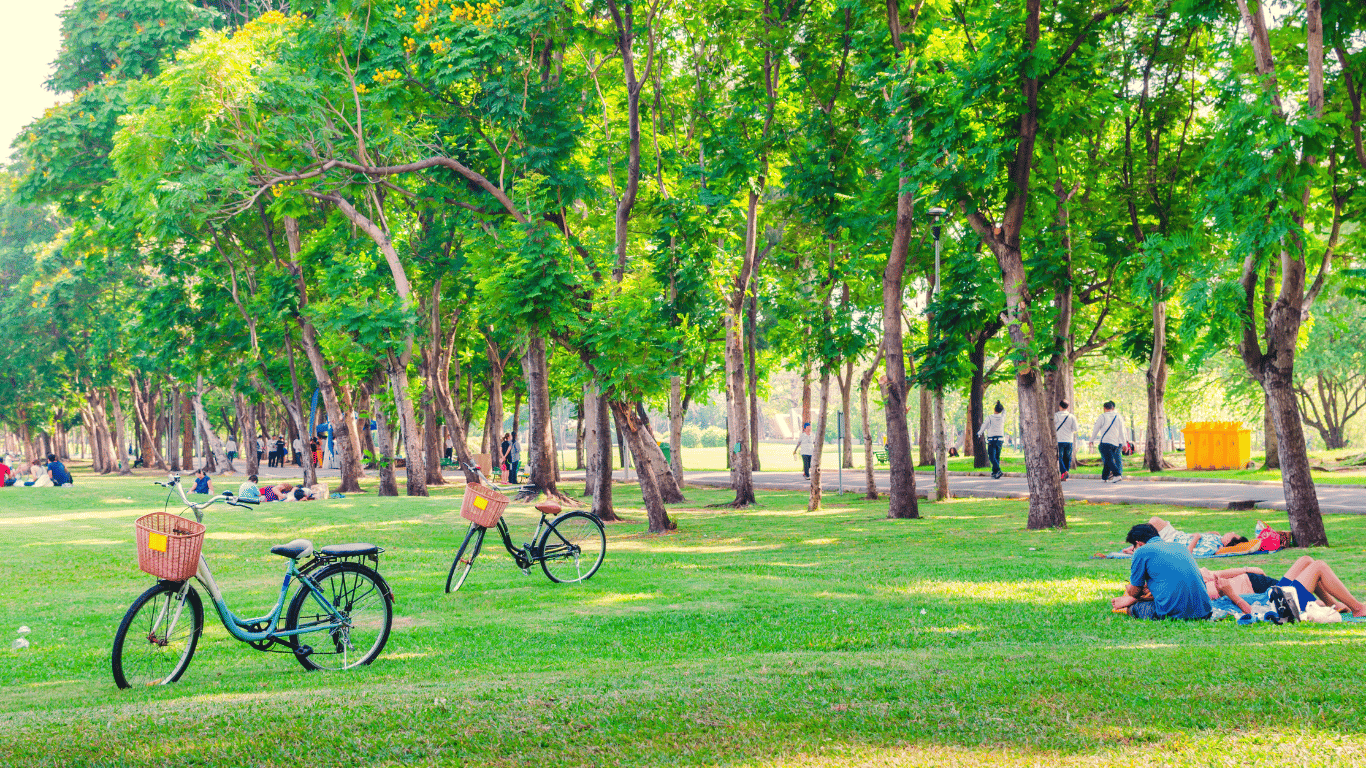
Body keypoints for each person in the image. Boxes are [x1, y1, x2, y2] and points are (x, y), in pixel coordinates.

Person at [1110, 523, 1212, 620]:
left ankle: (1126, 608)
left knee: (1136, 608)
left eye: (1133, 549)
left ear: (1139, 544)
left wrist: (1129, 591)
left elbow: (1135, 591)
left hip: (1173, 613)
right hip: (1204, 611)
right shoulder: (1180, 547)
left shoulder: (1141, 551)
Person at [1090, 400, 1128, 483]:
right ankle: (1104, 478)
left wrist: (1092, 440)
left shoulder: (1102, 416)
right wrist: (1124, 443)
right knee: (1108, 459)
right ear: (1112, 408)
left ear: (1104, 408)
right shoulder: (1119, 416)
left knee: (1108, 459)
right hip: (1115, 443)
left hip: (1105, 442)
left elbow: (1096, 429)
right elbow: (1122, 431)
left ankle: (1117, 475)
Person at [977, 401, 1007, 479]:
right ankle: (995, 473)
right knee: (997, 456)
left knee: (991, 457)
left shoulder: (989, 418)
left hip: (992, 440)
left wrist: (979, 433)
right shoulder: (1002, 417)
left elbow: (984, 426)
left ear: (994, 409)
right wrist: (1000, 405)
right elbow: (1004, 411)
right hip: (1000, 440)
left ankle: (998, 470)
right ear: (1000, 410)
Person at [1054, 400, 1078, 481]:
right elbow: (1075, 429)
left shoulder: (1056, 416)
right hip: (1069, 440)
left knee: (1059, 457)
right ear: (1068, 407)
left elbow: (1052, 427)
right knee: (1067, 458)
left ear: (1060, 406)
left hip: (1059, 440)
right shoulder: (1072, 417)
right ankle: (1065, 475)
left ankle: (1064, 472)